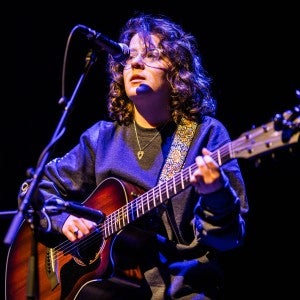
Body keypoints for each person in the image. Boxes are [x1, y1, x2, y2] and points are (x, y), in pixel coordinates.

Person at [18, 12, 249, 300]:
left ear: (177, 71)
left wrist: (217, 192)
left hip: (180, 290)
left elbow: (229, 239)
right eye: (130, 56)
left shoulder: (205, 136)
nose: (136, 62)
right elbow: (36, 190)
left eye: (151, 55)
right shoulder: (101, 139)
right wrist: (63, 221)